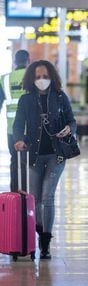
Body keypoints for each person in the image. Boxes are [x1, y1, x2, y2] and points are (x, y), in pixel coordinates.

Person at [13, 60, 77, 259]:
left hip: (56, 155)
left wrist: (70, 129)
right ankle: (39, 230)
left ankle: (46, 241)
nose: (42, 80)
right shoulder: (25, 100)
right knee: (35, 199)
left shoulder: (60, 97)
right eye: (38, 77)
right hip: (33, 156)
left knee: (48, 196)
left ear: (52, 78)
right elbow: (17, 125)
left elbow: (71, 120)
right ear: (32, 79)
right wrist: (19, 140)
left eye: (46, 76)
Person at [0, 50, 30, 192]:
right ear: (28, 61)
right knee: (29, 163)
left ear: (15, 62)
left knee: (14, 161)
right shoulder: (32, 78)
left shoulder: (5, 79)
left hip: (11, 129)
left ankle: (14, 195)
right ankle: (27, 196)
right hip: (30, 128)